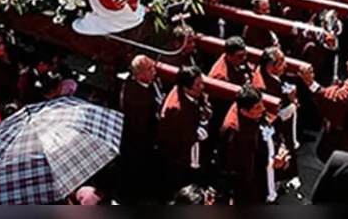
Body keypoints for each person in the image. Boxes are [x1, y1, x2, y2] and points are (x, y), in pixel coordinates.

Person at [218, 84, 283, 204]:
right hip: (249, 181)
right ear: (244, 111)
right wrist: (269, 163)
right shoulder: (234, 131)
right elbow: (239, 166)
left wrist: (280, 151)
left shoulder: (256, 113)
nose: (263, 109)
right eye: (257, 107)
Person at [157, 65, 210, 199]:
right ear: (186, 88)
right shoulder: (176, 110)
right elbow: (189, 137)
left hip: (188, 151)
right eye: (198, 85)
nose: (202, 87)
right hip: (179, 158)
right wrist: (203, 126)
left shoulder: (190, 95)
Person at [118, 55, 162, 202]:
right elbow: (142, 124)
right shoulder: (136, 96)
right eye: (150, 69)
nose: (154, 71)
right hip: (138, 142)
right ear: (138, 75)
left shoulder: (149, 83)